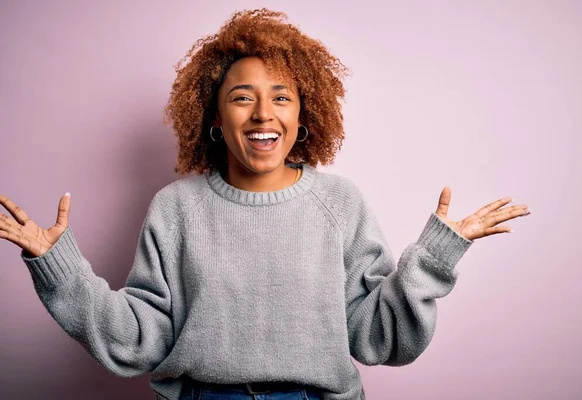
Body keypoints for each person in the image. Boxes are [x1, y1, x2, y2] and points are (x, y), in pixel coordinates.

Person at [0, 8, 530, 400]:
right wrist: (59, 270)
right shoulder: (177, 208)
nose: (261, 113)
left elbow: (377, 338)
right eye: (241, 97)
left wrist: (432, 262)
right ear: (214, 118)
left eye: (281, 97)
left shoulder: (339, 204)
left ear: (303, 116)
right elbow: (141, 340)